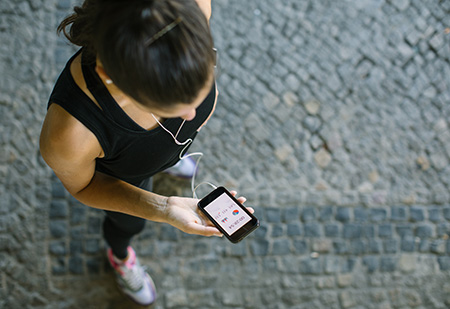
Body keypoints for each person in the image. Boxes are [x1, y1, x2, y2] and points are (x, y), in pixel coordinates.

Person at [39, 0, 254, 306]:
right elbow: (84, 186)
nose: (191, 115)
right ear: (109, 74)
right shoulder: (69, 136)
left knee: (165, 154)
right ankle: (120, 256)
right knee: (129, 225)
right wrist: (163, 208)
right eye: (170, 106)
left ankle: (170, 161)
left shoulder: (195, 5)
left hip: (161, 151)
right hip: (127, 176)